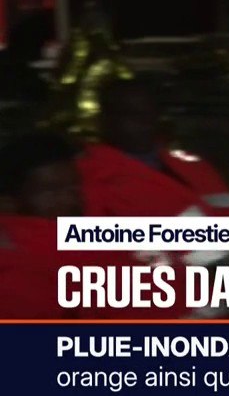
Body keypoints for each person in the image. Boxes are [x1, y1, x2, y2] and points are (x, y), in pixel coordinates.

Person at [0, 131, 196, 319]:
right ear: (9, 202)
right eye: (52, 191)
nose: (69, 198)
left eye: (74, 186)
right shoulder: (20, 268)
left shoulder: (85, 229)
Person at [78, 79, 229, 222]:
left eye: (151, 114)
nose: (145, 122)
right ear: (104, 120)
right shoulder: (86, 178)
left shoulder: (193, 166)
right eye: (132, 114)